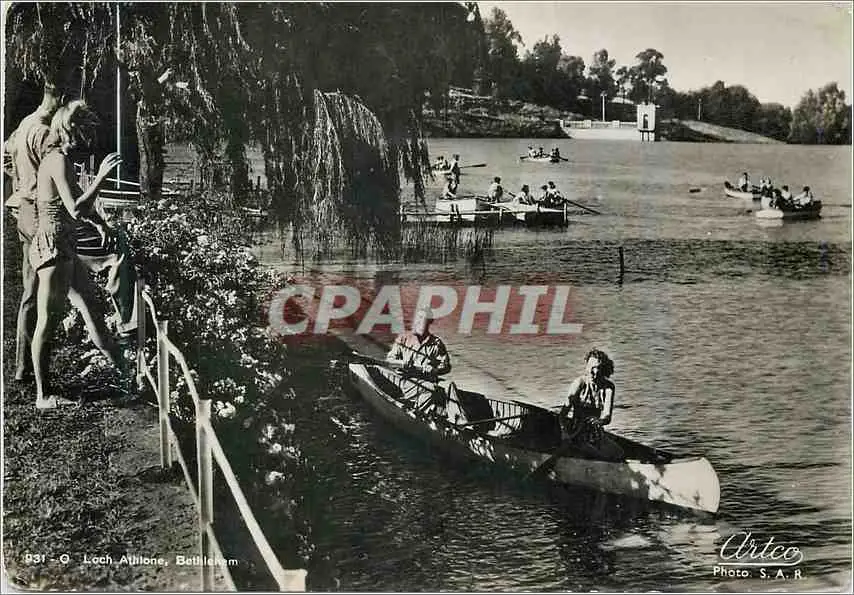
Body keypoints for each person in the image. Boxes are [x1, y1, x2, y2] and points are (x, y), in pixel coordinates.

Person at [30, 100, 124, 410]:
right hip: (53, 248)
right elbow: (75, 208)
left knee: (92, 309)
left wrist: (101, 224)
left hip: (64, 246)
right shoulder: (57, 160)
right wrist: (101, 177)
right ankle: (43, 396)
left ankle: (127, 375)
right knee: (47, 321)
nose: (87, 139)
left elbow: (78, 205)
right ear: (69, 131)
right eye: (83, 132)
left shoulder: (62, 160)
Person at [558, 349, 624, 461]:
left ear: (603, 369)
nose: (593, 372)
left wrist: (600, 421)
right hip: (577, 434)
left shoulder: (609, 387)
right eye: (590, 367)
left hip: (596, 434)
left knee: (619, 453)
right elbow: (562, 415)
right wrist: (564, 434)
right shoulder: (579, 383)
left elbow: (607, 417)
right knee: (602, 457)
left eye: (597, 368)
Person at [386, 306, 452, 413]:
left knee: (449, 387)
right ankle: (417, 414)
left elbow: (446, 367)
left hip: (428, 382)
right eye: (418, 318)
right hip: (407, 382)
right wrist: (401, 363)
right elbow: (390, 361)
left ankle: (459, 420)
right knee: (430, 390)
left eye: (423, 319)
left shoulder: (436, 343)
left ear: (430, 321)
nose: (419, 322)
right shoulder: (403, 338)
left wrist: (434, 370)